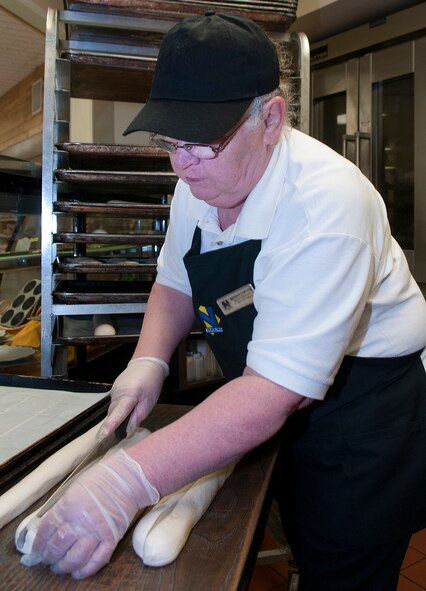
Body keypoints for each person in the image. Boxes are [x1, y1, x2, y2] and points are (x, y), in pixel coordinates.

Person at [28, 12, 426, 589]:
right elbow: (175, 281)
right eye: (170, 142)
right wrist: (149, 360)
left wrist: (126, 481)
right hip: (278, 392)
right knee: (296, 528)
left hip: (364, 418)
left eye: (202, 143)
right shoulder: (201, 179)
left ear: (270, 118)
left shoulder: (326, 208)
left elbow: (271, 394)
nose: (180, 163)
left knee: (341, 561)